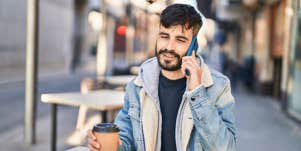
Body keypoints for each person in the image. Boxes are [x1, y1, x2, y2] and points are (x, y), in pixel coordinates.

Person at [88, 4, 236, 151]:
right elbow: (126, 141)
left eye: (180, 40)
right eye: (164, 36)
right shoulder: (138, 86)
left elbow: (226, 148)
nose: (169, 47)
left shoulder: (218, 86)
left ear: (193, 46)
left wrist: (198, 92)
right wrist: (110, 146)